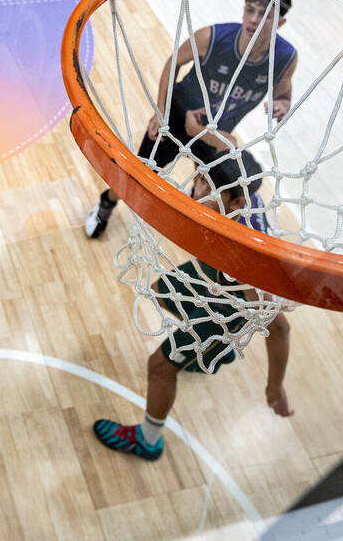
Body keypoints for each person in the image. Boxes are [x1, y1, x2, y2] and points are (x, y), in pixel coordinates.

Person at [93, 124, 293, 461]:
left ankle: (148, 440)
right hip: (216, 273)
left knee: (159, 366)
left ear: (237, 202)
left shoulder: (248, 260)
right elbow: (229, 144)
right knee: (161, 292)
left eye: (207, 187)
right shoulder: (238, 190)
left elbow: (280, 327)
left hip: (233, 302)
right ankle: (218, 350)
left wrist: (275, 386)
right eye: (199, 178)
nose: (196, 188)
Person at [85, 0, 298, 238]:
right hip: (175, 119)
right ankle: (107, 202)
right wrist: (161, 110)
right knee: (136, 178)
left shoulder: (285, 57)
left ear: (279, 23)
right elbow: (173, 62)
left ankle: (209, 221)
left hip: (214, 133)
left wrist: (283, 102)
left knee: (229, 190)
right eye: (250, 10)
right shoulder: (212, 37)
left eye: (264, 15)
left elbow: (283, 88)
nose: (253, 19)